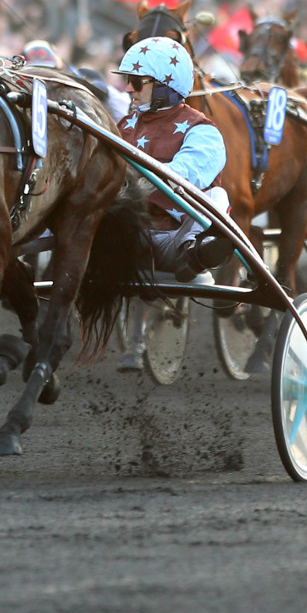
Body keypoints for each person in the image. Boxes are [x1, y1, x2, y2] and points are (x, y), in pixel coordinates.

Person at [114, 36, 234, 371]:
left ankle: (197, 252)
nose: (128, 89)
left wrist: (131, 182)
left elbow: (185, 177)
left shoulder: (202, 131)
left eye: (137, 82)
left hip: (172, 238)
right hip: (127, 235)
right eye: (127, 81)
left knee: (216, 196)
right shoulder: (123, 127)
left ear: (165, 85)